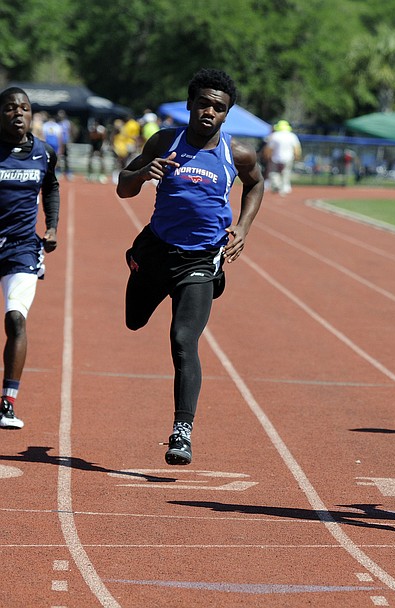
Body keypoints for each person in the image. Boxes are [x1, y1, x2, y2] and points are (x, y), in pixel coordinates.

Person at [116, 68, 264, 464]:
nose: (209, 113)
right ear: (190, 104)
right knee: (133, 320)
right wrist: (145, 172)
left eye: (219, 108)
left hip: (200, 259)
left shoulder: (238, 153)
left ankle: (182, 431)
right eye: (203, 104)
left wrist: (244, 228)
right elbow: (122, 185)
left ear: (226, 114)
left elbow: (256, 183)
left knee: (183, 340)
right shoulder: (166, 141)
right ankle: (135, 261)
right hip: (157, 252)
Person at [0, 87, 60, 429]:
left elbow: (51, 187)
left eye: (24, 107)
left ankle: (8, 403)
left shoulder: (44, 153)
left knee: (16, 319)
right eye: (10, 108)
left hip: (22, 247)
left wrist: (51, 227)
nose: (18, 113)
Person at [263, 120, 301, 195]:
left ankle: (276, 185)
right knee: (286, 173)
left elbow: (269, 148)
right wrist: (297, 156)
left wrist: (267, 156)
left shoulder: (274, 136)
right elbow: (296, 148)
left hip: (275, 158)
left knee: (273, 173)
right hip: (288, 158)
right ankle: (285, 188)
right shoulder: (292, 136)